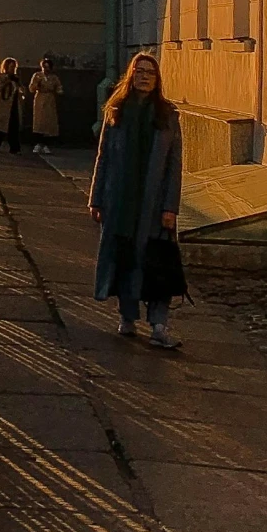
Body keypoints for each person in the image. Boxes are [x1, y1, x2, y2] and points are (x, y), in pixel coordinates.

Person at [89, 51, 184, 349]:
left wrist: (170, 207)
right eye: (139, 71)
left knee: (157, 262)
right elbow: (103, 157)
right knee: (125, 259)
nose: (144, 77)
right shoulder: (116, 111)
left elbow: (174, 165)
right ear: (131, 76)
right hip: (120, 201)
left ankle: (158, 324)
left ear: (157, 80)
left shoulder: (167, 116)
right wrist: (97, 198)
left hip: (154, 204)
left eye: (150, 73)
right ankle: (127, 316)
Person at [29, 56, 63, 156]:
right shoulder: (37, 76)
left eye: (48, 67)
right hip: (40, 98)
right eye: (44, 67)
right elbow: (31, 88)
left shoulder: (54, 78)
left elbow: (59, 87)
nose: (46, 69)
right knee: (39, 121)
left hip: (50, 99)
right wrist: (37, 85)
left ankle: (46, 144)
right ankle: (38, 143)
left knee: (49, 121)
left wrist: (59, 91)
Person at [0, 58, 24, 153]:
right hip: (2, 104)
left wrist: (20, 85)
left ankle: (15, 148)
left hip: (13, 105)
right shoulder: (0, 77)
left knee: (14, 126)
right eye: (11, 67)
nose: (12, 69)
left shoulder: (16, 79)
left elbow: (21, 90)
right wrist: (6, 82)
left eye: (14, 67)